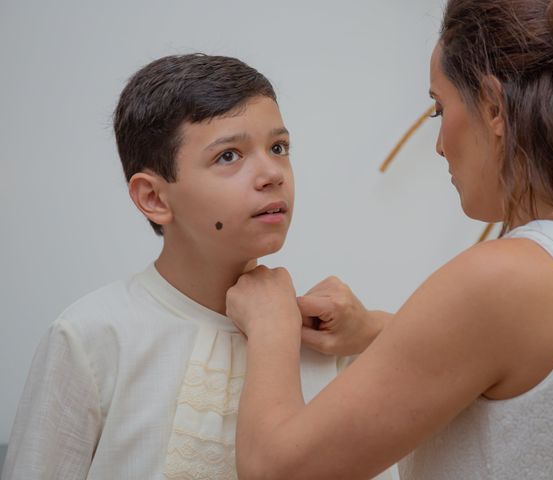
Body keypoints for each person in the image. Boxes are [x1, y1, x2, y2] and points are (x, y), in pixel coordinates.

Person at [226, 0, 553, 478]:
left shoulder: (505, 278)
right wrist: (379, 331)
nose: (440, 144)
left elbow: (276, 470)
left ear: (492, 105)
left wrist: (270, 327)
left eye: (439, 109)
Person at [2, 54, 385, 480]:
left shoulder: (327, 340)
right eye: (228, 156)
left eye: (279, 148)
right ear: (154, 198)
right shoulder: (91, 337)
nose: (272, 173)